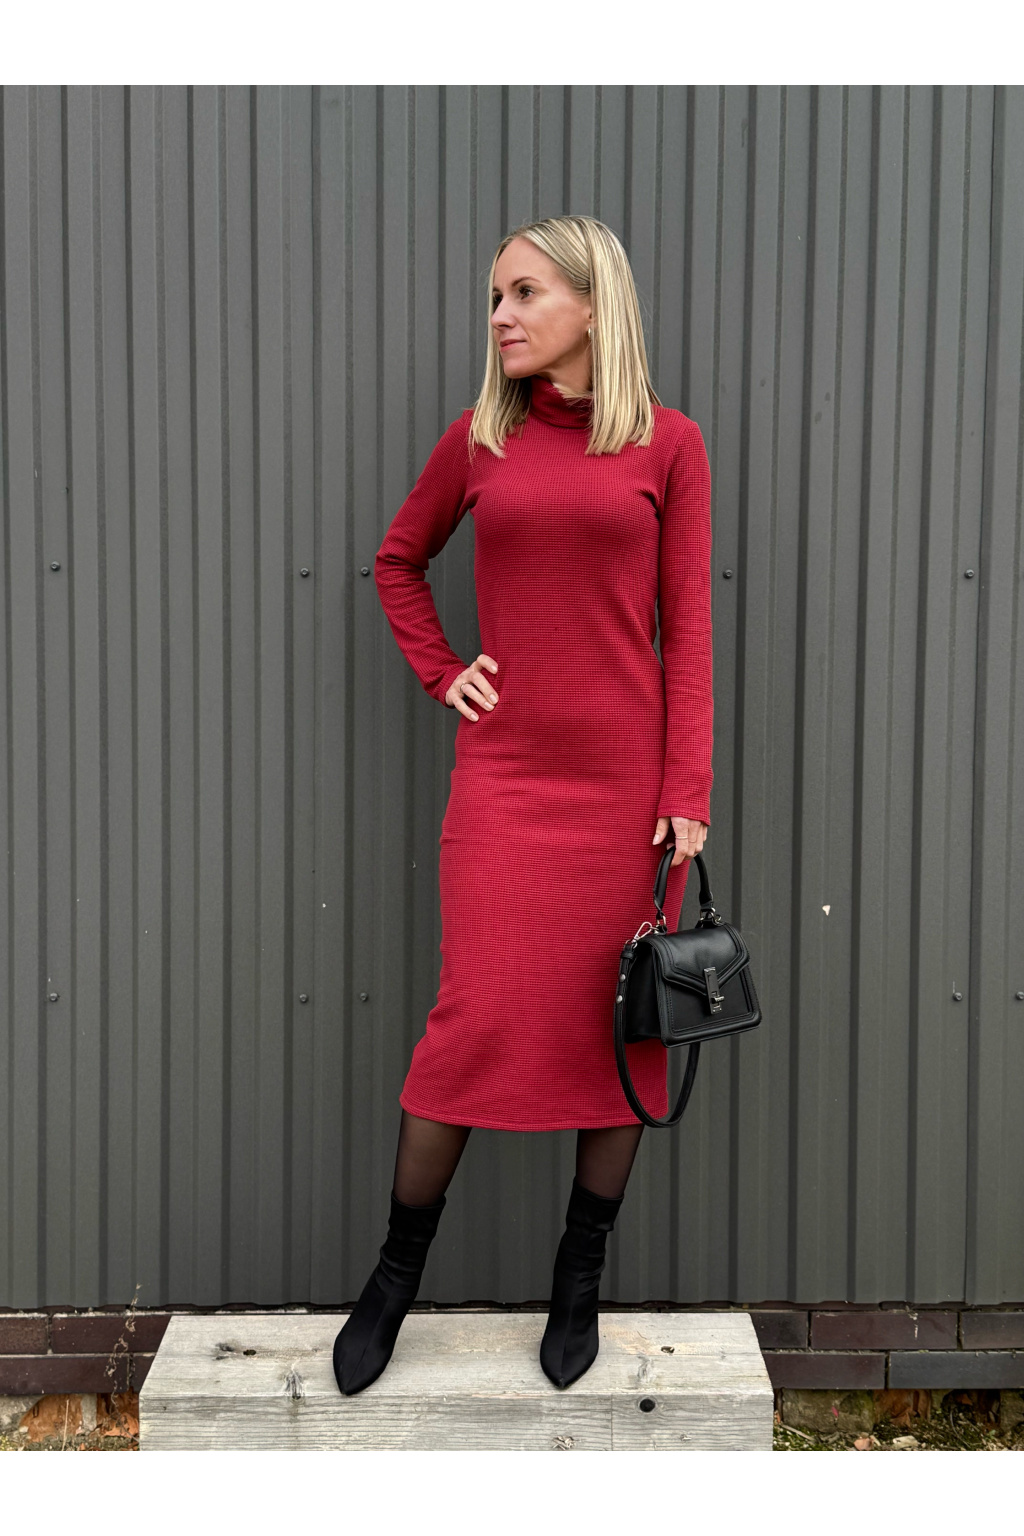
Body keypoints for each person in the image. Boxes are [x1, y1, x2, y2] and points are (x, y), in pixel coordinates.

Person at [333, 214, 713, 1398]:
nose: (498, 315)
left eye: (523, 293)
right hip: (506, 782)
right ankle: (394, 1276)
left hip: (628, 798)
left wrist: (686, 790)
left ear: (593, 305)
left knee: (621, 1034)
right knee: (470, 1022)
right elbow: (397, 561)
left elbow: (689, 628)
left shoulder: (669, 446)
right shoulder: (479, 441)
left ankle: (577, 1279)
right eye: (494, 296)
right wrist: (444, 670)